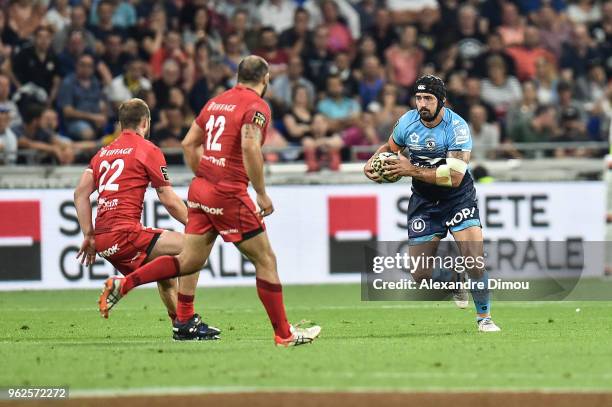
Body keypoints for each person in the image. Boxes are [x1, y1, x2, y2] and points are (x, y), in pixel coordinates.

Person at [97, 56, 322, 347]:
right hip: (229, 192)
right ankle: (284, 334)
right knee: (266, 260)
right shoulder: (256, 106)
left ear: (238, 76)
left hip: (200, 190)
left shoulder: (215, 102)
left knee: (189, 260)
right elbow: (250, 145)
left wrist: (206, 175)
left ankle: (125, 284)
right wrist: (261, 192)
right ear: (265, 79)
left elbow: (189, 143)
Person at [73, 98, 220, 341]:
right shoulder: (147, 149)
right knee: (192, 248)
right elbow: (169, 199)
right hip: (125, 233)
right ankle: (184, 316)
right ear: (146, 122)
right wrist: (196, 225)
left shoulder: (103, 153)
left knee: (166, 276)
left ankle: (181, 327)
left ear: (121, 124)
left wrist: (89, 234)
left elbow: (80, 193)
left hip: (104, 240)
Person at [363, 75, 501, 333]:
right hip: (424, 200)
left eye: (428, 98)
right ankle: (452, 279)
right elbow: (389, 147)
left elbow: (454, 176)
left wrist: (409, 169)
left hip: (457, 197)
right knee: (419, 275)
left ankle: (484, 318)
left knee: (474, 259)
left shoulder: (457, 127)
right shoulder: (407, 122)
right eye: (419, 98)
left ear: (441, 101)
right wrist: (373, 163)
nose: (422, 104)